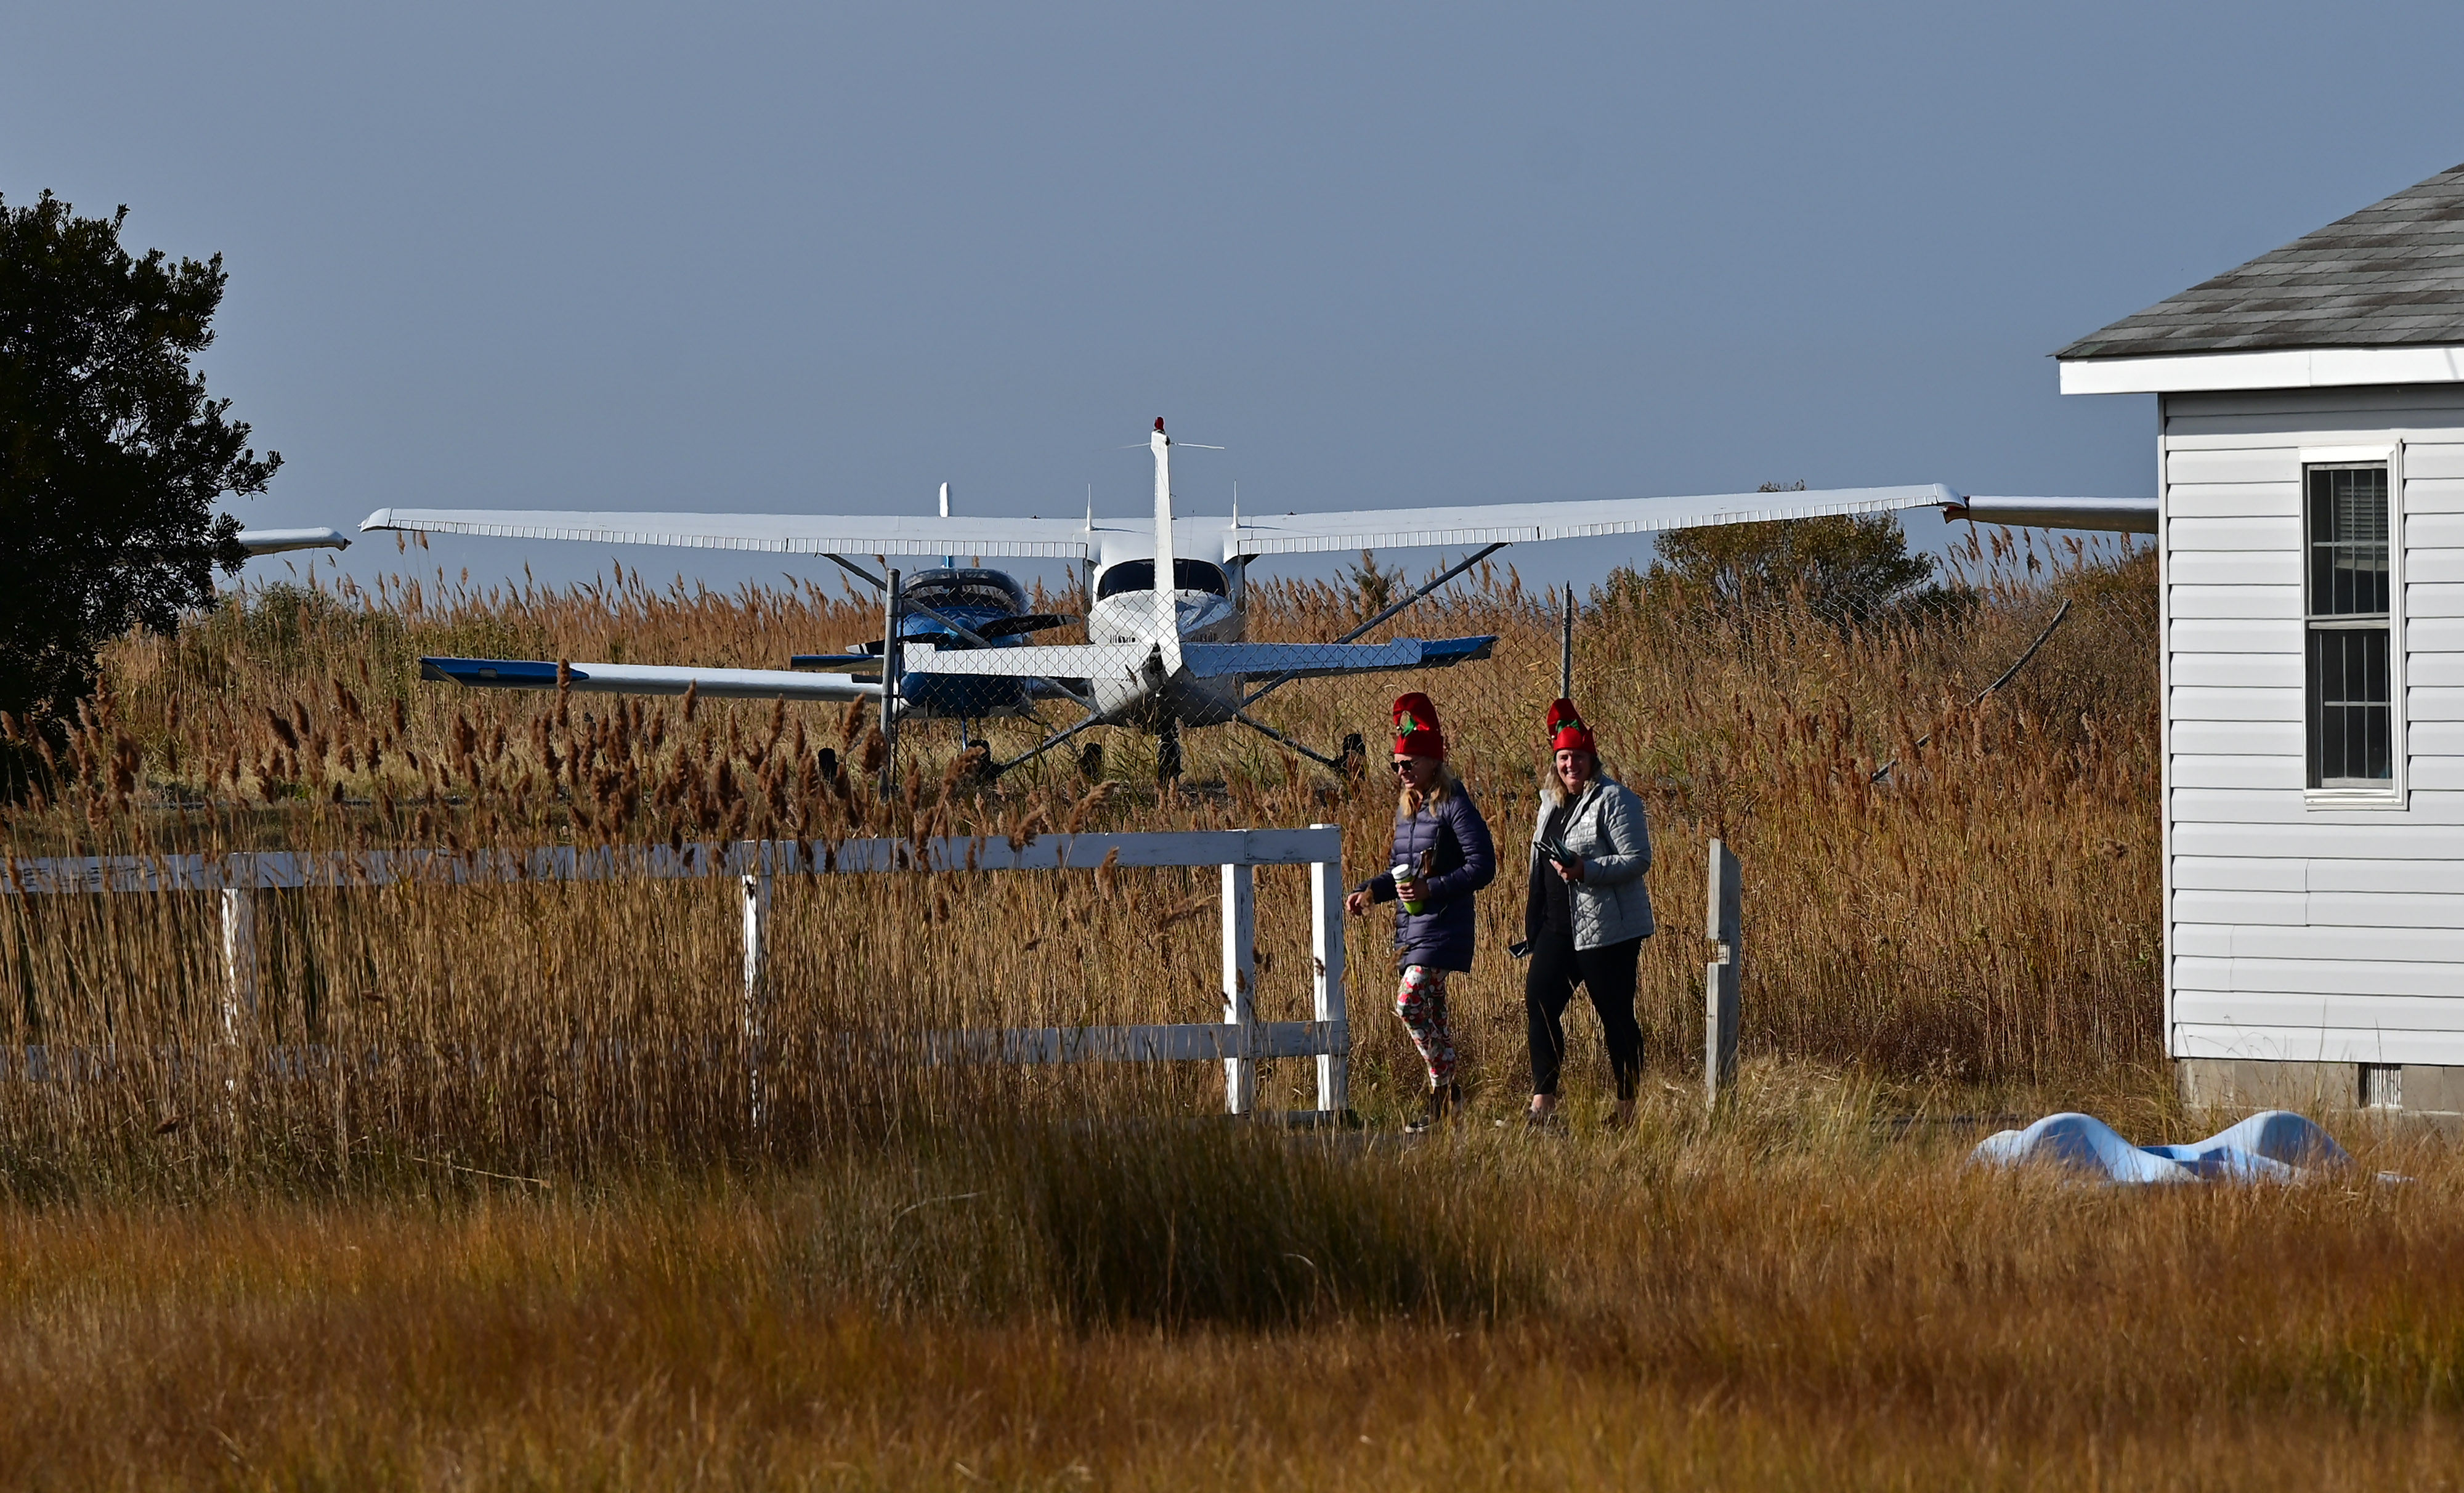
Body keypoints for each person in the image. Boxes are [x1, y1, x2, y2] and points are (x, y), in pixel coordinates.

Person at [1345, 692, 1496, 1131]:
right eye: (1396, 764)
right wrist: (1371, 891)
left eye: (1409, 763)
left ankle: (1446, 1091)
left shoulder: (1453, 803)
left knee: (1410, 1004)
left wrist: (1433, 887)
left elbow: (1482, 865)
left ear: (1433, 760)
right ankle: (1447, 1107)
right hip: (1414, 928)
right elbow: (1403, 873)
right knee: (1435, 1015)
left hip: (1444, 927)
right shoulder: (1408, 809)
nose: (1401, 772)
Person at [1522, 697, 1653, 1128]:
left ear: (1591, 759)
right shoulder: (1551, 803)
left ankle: (1627, 1108)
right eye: (1562, 757)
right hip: (1558, 929)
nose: (1569, 765)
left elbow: (1637, 859)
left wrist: (1587, 869)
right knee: (1540, 1003)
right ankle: (1544, 1104)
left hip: (1607, 930)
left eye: (1577, 757)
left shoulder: (1616, 800)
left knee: (1614, 1015)